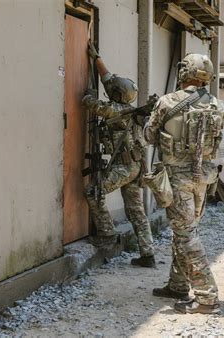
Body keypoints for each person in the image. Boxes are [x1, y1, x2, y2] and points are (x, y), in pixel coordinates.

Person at [144, 53, 224, 313]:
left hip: (177, 179)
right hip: (203, 177)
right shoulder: (217, 105)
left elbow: (148, 135)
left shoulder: (168, 102)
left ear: (184, 72)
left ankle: (206, 297)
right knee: (184, 231)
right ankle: (178, 285)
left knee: (187, 235)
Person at [82, 43, 155, 267]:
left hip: (125, 167)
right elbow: (111, 82)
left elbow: (89, 103)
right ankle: (148, 254)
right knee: (136, 211)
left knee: (94, 192)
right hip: (137, 167)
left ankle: (107, 235)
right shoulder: (129, 108)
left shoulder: (117, 111)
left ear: (115, 95)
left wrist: (90, 94)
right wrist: (98, 60)